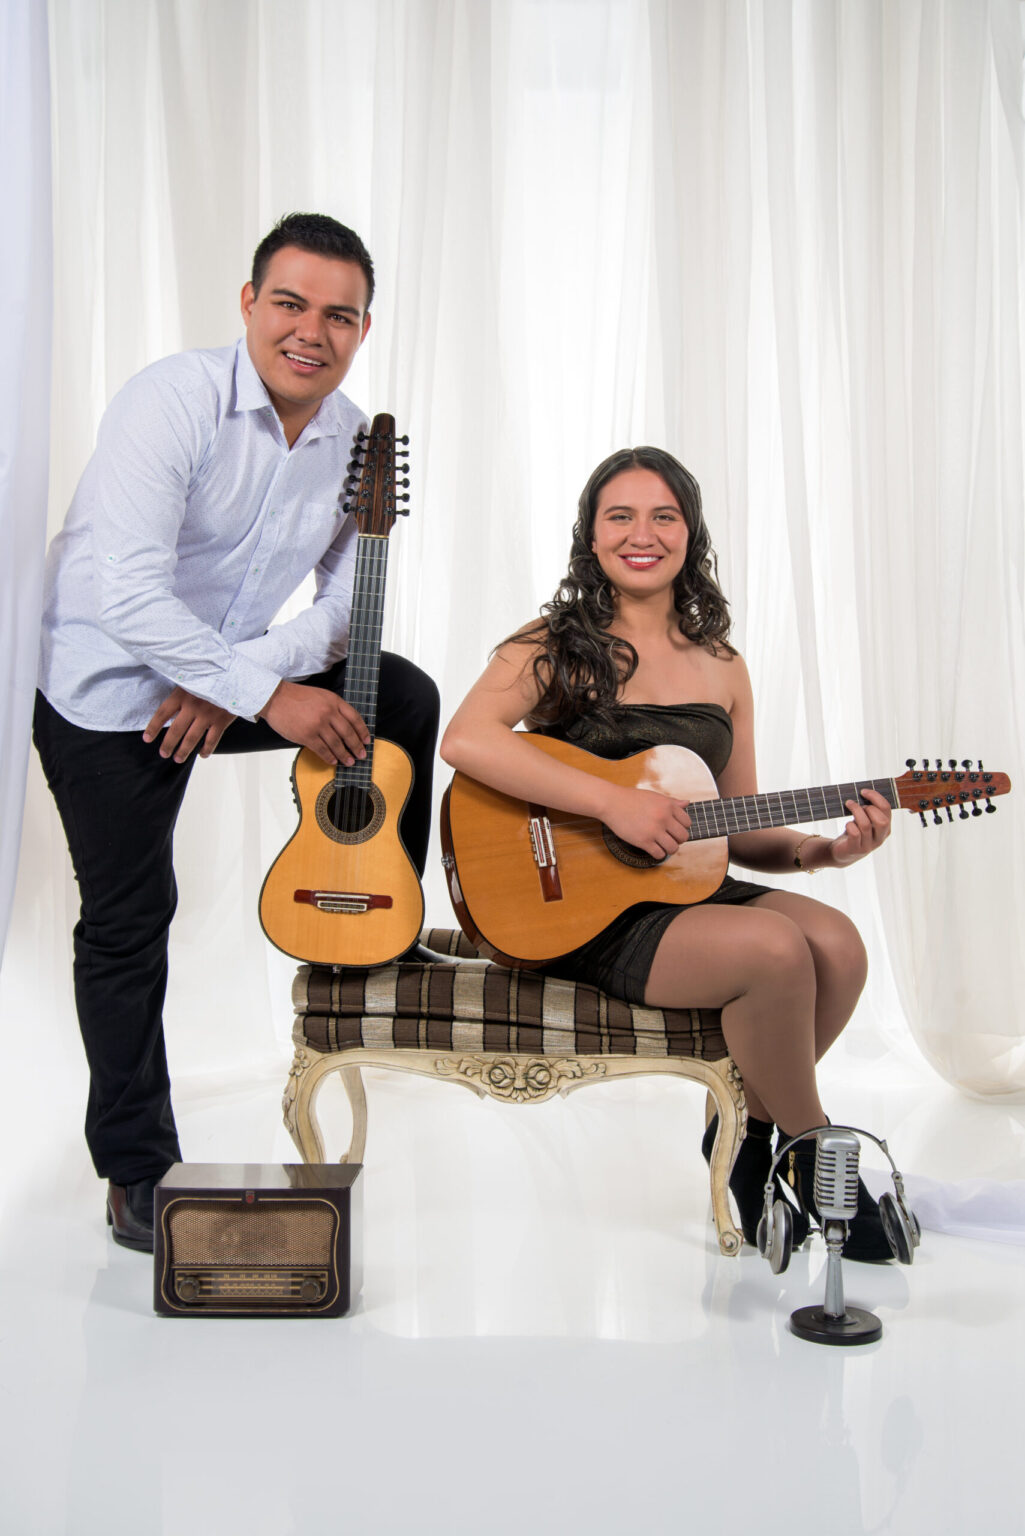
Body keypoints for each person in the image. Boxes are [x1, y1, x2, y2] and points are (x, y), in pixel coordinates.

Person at [34, 212, 440, 1253]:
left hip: (223, 679)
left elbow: (344, 607)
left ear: (362, 329)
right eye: (291, 303)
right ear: (250, 303)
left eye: (339, 315)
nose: (312, 331)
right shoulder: (170, 402)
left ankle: (385, 918)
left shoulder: (353, 436)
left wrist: (242, 684)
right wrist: (264, 693)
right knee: (129, 920)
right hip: (106, 692)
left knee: (398, 694)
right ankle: (135, 1169)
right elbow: (126, 596)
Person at [440, 446, 894, 1261]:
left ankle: (746, 1133)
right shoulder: (551, 644)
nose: (641, 534)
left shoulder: (722, 666)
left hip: (684, 889)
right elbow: (466, 740)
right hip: (573, 910)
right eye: (619, 516)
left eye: (663, 516)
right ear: (591, 535)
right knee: (772, 950)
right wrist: (612, 801)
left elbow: (738, 829)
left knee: (837, 944)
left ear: (690, 532)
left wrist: (824, 850)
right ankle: (816, 1157)